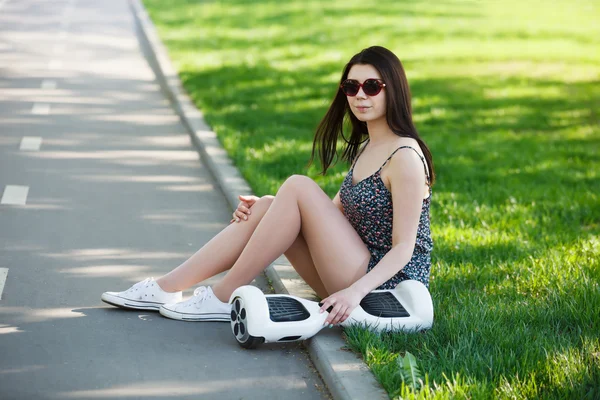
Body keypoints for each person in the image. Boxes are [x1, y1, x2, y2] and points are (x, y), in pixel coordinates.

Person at [101, 45, 435, 327]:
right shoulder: (369, 147)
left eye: (372, 87)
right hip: (351, 271)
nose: (359, 95)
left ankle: (221, 296)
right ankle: (166, 287)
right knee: (266, 205)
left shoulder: (404, 155)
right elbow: (334, 218)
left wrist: (354, 292)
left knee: (299, 186)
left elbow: (404, 248)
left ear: (393, 89)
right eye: (351, 87)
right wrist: (271, 210)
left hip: (385, 291)